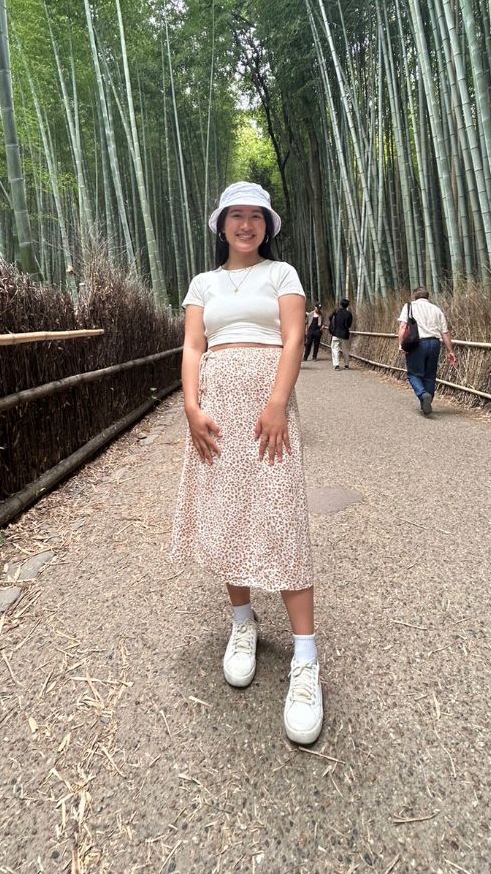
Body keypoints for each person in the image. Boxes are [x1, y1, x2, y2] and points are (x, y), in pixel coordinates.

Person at [173, 181, 323, 745]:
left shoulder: (282, 276)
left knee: (281, 518)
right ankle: (242, 624)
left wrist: (278, 403)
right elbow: (193, 347)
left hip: (268, 405)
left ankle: (305, 659)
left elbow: (291, 339)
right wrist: (191, 408)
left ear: (267, 224)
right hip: (215, 409)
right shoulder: (202, 283)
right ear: (221, 225)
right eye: (235, 216)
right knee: (228, 515)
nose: (244, 225)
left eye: (254, 216)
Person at [397, 286, 457, 415]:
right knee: (430, 375)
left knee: (413, 373)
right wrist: (450, 351)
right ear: (427, 297)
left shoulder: (409, 306)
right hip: (435, 343)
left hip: (417, 344)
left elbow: (403, 327)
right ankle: (427, 402)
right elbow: (445, 332)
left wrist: (401, 345)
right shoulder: (436, 309)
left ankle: (423, 395)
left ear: (414, 296)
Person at [329, 298, 353, 370]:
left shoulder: (336, 312)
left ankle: (336, 365)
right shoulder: (349, 314)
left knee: (335, 349)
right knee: (345, 350)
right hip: (345, 334)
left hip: (336, 333)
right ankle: (346, 365)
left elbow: (330, 318)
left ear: (340, 304)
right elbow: (349, 325)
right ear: (347, 305)